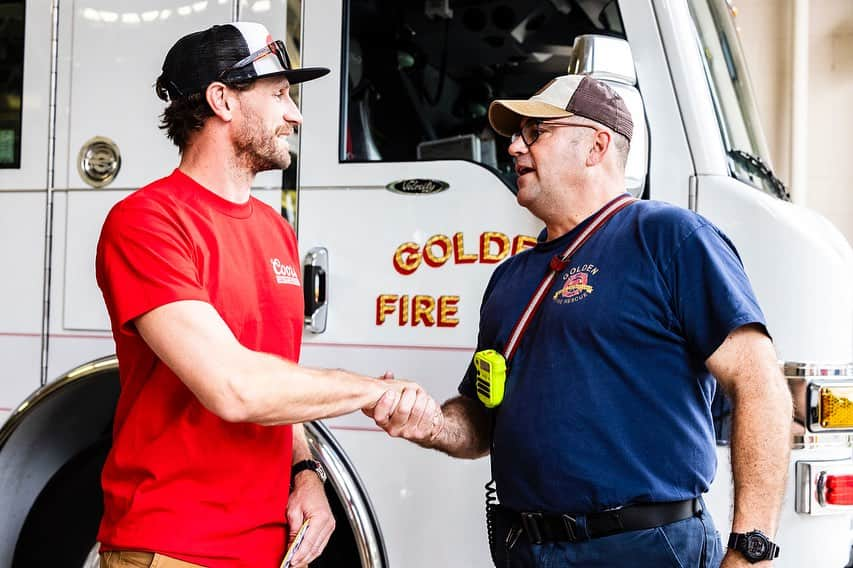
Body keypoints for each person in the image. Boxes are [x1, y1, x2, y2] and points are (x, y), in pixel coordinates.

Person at [365, 75, 792, 567]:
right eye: (516, 134)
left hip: (644, 549)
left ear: (596, 145)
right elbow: (482, 421)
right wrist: (432, 424)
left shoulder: (670, 238)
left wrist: (751, 551)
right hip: (526, 548)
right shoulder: (511, 278)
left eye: (536, 131)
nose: (514, 146)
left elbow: (760, 385)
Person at [95, 22, 436, 568]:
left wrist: (306, 475)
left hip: (267, 548)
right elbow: (235, 387)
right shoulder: (147, 222)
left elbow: (277, 385)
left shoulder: (275, 230)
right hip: (172, 549)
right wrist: (370, 391)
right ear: (222, 99)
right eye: (278, 94)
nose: (295, 114)